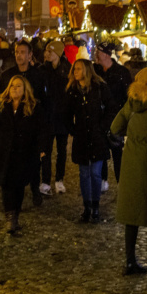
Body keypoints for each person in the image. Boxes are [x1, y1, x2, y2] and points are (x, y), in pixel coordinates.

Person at [110, 67, 147, 275]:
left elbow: (115, 127)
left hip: (130, 162)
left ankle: (129, 261)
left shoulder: (131, 103)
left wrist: (134, 135)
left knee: (131, 212)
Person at [0, 76, 45, 237]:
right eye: (12, 86)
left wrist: (41, 148)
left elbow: (41, 128)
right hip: (4, 152)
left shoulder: (33, 107)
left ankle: (15, 214)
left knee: (19, 185)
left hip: (24, 152)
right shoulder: (0, 104)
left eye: (18, 86)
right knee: (6, 185)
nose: (15, 89)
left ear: (25, 89)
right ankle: (10, 217)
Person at [0, 40, 47, 206]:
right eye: (17, 52)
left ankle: (34, 190)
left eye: (23, 52)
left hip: (30, 125)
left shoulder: (38, 75)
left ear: (30, 54)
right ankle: (12, 194)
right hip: (11, 126)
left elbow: (44, 101)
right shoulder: (7, 75)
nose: (19, 55)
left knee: (32, 160)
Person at [64, 58, 115, 223]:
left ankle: (96, 207)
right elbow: (65, 112)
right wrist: (73, 129)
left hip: (97, 136)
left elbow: (111, 108)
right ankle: (87, 208)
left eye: (78, 69)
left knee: (95, 173)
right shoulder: (72, 90)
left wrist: (102, 127)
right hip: (81, 138)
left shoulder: (100, 88)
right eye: (74, 69)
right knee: (84, 174)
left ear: (86, 70)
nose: (75, 72)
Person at [94, 41, 132, 192]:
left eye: (98, 53)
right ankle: (103, 180)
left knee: (117, 152)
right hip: (100, 118)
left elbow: (128, 96)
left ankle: (120, 181)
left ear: (105, 55)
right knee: (102, 151)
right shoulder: (95, 71)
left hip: (116, 118)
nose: (95, 56)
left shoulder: (122, 72)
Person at [39, 40, 71, 194]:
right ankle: (45, 181)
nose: (46, 54)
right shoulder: (42, 70)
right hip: (47, 116)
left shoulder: (68, 70)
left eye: (50, 51)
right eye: (46, 51)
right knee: (45, 150)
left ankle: (59, 179)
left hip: (63, 116)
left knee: (61, 151)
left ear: (58, 53)